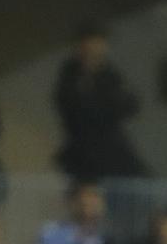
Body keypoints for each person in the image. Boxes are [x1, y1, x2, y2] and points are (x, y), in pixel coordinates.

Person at [53, 22, 145, 180]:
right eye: (89, 46)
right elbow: (77, 111)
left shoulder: (111, 76)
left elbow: (130, 104)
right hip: (83, 156)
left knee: (139, 180)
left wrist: (106, 103)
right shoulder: (70, 78)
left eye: (98, 45)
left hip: (114, 154)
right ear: (79, 47)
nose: (94, 50)